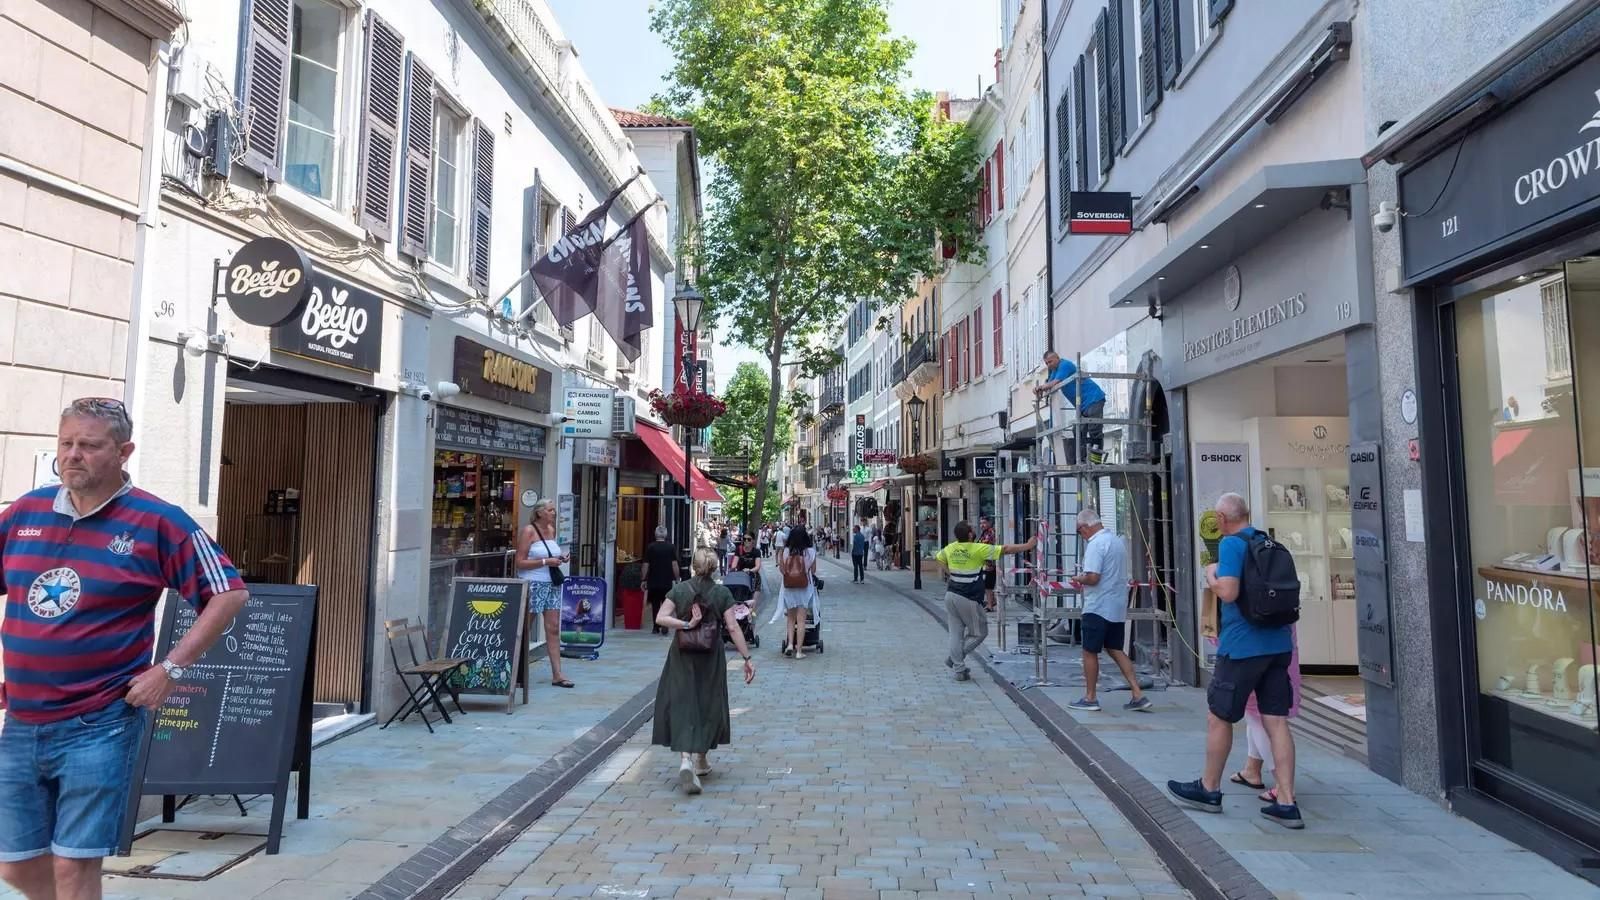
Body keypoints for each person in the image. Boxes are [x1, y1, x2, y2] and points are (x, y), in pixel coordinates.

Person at [0, 398, 250, 899]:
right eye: (66, 443)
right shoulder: (26, 513)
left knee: (74, 864)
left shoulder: (157, 521)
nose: (74, 455)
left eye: (89, 446)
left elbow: (229, 593)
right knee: (14, 863)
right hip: (22, 721)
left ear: (123, 451)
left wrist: (169, 669)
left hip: (100, 723)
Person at [1167, 493, 1302, 829]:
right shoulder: (1267, 540)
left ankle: (1209, 788)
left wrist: (1211, 573)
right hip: (1278, 644)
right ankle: (1286, 800)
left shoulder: (1231, 545)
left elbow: (1227, 591)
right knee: (1276, 721)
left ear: (1223, 519)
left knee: (1219, 716)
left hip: (1242, 646)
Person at [653, 549, 756, 794]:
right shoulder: (722, 593)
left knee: (683, 702)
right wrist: (747, 658)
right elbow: (732, 627)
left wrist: (686, 624)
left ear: (693, 567)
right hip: (710, 656)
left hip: (682, 654)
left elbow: (660, 618)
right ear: (714, 569)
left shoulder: (679, 590)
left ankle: (687, 759)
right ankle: (700, 758)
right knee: (708, 703)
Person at [1064, 509, 1153, 713]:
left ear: (1086, 527)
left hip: (1097, 606)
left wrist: (1078, 579)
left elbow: (1093, 577)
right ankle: (1137, 693)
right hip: (1116, 605)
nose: (1081, 535)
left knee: (1089, 651)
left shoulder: (1096, 545)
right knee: (1115, 648)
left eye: (1080, 531)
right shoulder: (1116, 542)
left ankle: (1090, 697)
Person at [936, 521, 1038, 682]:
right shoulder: (978, 548)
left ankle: (959, 668)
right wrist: (1028, 545)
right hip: (968, 597)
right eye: (972, 529)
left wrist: (950, 572)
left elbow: (939, 558)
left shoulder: (950, 548)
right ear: (969, 534)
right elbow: (1005, 549)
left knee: (955, 634)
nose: (975, 530)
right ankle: (956, 660)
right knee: (979, 632)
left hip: (951, 595)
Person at [1234, 627, 1301, 803]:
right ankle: (1252, 769)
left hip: (1254, 644)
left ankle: (1283, 787)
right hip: (1279, 644)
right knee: (1256, 714)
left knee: (1261, 718)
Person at [515, 499, 575, 688]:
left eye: (554, 509)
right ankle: (515, 669)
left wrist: (559, 559)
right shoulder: (529, 531)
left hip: (552, 584)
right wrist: (545, 562)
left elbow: (549, 555)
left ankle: (557, 674)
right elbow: (519, 562)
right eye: (550, 510)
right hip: (534, 584)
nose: (554, 513)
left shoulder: (551, 530)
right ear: (539, 512)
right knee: (525, 627)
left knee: (553, 627)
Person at [1033, 349, 1108, 465]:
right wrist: (1041, 388)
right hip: (1083, 406)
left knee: (1095, 430)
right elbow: (1050, 383)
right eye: (1046, 363)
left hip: (1093, 399)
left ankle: (1096, 460)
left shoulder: (1065, 365)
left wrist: (1041, 388)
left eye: (1050, 362)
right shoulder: (1055, 370)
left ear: (1057, 358)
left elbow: (1054, 383)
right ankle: (1082, 459)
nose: (1048, 365)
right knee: (1078, 430)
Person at [777, 527, 818, 659]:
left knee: (790, 618)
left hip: (789, 587)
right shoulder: (810, 552)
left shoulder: (786, 552)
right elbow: (814, 571)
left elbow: (782, 570)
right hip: (804, 587)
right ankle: (799, 651)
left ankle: (790, 644)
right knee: (801, 620)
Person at [641, 526, 680, 636]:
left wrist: (643, 579)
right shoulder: (671, 547)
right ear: (666, 535)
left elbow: (646, 565)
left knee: (655, 605)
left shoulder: (651, 547)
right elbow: (674, 564)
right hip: (667, 580)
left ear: (655, 534)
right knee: (666, 604)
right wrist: (677, 578)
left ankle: (655, 626)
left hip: (653, 580)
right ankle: (665, 624)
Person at [977, 515, 998, 609]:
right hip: (986, 562)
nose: (982, 525)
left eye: (984, 523)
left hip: (990, 563)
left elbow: (984, 545)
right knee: (987, 584)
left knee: (988, 585)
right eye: (981, 523)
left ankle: (990, 605)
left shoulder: (990, 532)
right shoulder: (985, 532)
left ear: (989, 523)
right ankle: (992, 601)